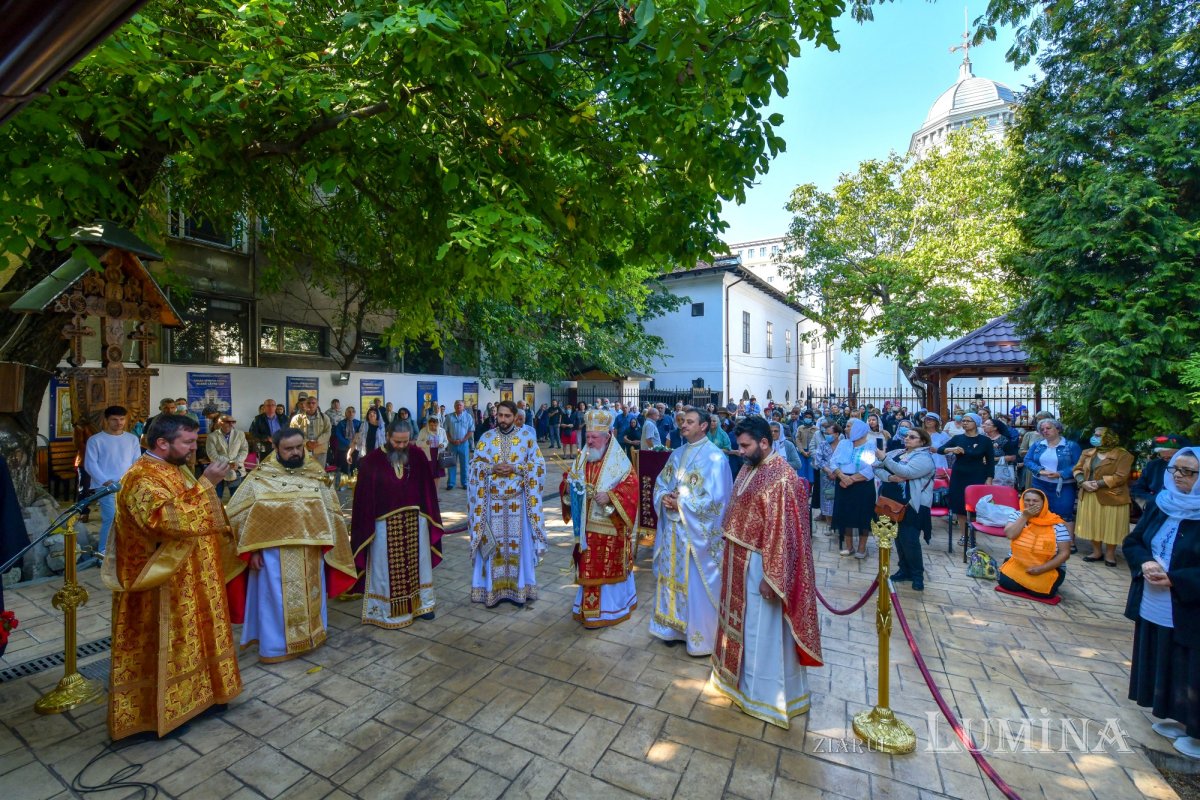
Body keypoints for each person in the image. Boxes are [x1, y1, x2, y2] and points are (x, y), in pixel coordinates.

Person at [104, 415, 244, 740]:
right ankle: (157, 714)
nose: (194, 449)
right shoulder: (140, 477)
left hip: (191, 578)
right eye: (188, 443)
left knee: (194, 641)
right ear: (162, 443)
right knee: (166, 645)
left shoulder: (173, 468)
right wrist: (207, 483)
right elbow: (166, 521)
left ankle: (203, 697)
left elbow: (200, 511)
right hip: (160, 583)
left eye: (195, 442)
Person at [710, 416, 821, 728]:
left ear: (764, 442)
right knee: (745, 628)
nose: (740, 451)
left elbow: (786, 535)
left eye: (745, 445)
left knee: (764, 632)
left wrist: (773, 578)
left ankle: (765, 697)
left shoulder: (782, 477)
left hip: (762, 567)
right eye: (739, 446)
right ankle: (741, 685)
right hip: (740, 562)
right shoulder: (750, 467)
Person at [226, 428, 356, 662]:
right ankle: (276, 647)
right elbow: (238, 515)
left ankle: (312, 637)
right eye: (288, 449)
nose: (296, 452)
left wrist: (329, 544)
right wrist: (251, 550)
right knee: (274, 600)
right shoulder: (260, 477)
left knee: (312, 594)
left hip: (311, 550)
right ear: (276, 449)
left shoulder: (315, 472)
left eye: (299, 447)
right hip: (272, 554)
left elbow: (332, 512)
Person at [1123, 447, 1200, 759]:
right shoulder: (1161, 504)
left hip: (1188, 604)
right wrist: (1145, 563)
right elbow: (1135, 541)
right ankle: (1178, 718)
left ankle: (1197, 732)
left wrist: (1177, 579)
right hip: (1154, 598)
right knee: (1163, 655)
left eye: (1189, 472)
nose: (1179, 476)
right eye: (1175, 470)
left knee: (1191, 665)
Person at [650, 407, 733, 656]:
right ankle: (671, 629)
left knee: (695, 583)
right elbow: (662, 482)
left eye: (689, 421)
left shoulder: (716, 458)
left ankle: (699, 637)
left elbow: (718, 500)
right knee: (672, 579)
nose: (683, 425)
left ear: (704, 426)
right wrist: (665, 496)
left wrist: (682, 504)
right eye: (682, 421)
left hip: (695, 536)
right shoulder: (676, 453)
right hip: (674, 532)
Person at [350, 422, 445, 628]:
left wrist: (430, 518)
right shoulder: (371, 462)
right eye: (397, 441)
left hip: (415, 523)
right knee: (385, 569)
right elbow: (363, 502)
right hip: (384, 526)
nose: (402, 446)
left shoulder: (418, 456)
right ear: (387, 438)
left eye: (405, 441)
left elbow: (427, 490)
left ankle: (422, 606)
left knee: (417, 563)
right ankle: (385, 611)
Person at [560, 409, 641, 628]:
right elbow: (569, 479)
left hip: (609, 526)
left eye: (595, 437)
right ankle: (588, 610)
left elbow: (632, 488)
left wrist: (611, 496)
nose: (590, 441)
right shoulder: (583, 457)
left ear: (607, 437)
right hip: (586, 524)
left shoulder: (620, 461)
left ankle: (611, 609)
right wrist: (569, 486)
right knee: (587, 564)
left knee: (604, 565)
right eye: (587, 437)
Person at [467, 400, 547, 606]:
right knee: (493, 549)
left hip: (517, 503)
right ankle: (491, 591)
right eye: (500, 415)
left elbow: (539, 467)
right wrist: (491, 469)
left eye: (507, 416)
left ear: (515, 417)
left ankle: (519, 589)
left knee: (518, 547)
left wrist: (516, 468)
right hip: (491, 503)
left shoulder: (526, 438)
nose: (502, 420)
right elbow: (474, 466)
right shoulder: (486, 438)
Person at [874, 428, 936, 591]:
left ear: (922, 442)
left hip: (912, 505)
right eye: (907, 436)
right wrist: (889, 477)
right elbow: (876, 467)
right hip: (892, 502)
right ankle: (904, 570)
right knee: (898, 539)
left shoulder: (924, 458)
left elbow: (906, 472)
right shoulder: (898, 452)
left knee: (910, 540)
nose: (907, 439)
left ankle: (917, 575)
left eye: (912, 437)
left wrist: (885, 459)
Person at [84, 405, 142, 555]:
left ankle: (124, 548)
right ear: (106, 420)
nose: (119, 422)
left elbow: (137, 462)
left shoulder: (132, 439)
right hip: (105, 486)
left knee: (129, 519)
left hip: (127, 485)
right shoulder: (95, 440)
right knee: (110, 518)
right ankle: (103, 550)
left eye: (122, 419)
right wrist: (106, 481)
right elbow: (90, 464)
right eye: (114, 419)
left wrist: (131, 480)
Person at [1075, 427, 1134, 567]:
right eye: (1094, 435)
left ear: (1109, 438)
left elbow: (1121, 476)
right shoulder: (1087, 452)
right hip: (1089, 494)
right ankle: (1096, 552)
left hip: (1112, 496)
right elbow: (1077, 469)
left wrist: (1098, 483)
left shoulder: (1123, 455)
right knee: (1093, 524)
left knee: (1111, 525)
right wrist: (1082, 482)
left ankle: (1110, 554)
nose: (1094, 437)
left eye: (1098, 435)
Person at [997, 488, 1071, 599]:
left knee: (1042, 592)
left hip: (1048, 568)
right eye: (1027, 500)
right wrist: (1025, 517)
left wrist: (1041, 569)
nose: (1031, 503)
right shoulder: (1017, 515)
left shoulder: (1056, 523)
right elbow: (1011, 535)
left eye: (1035, 501)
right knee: (1007, 584)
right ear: (1022, 501)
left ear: (1044, 503)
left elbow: (1065, 553)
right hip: (1018, 562)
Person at [939, 413, 996, 547]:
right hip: (959, 475)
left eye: (968, 421)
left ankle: (973, 536)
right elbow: (940, 450)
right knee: (960, 505)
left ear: (975, 423)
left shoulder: (985, 441)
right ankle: (964, 535)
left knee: (974, 506)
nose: (964, 423)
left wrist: (989, 478)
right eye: (963, 421)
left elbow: (990, 462)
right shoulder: (958, 438)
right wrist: (952, 449)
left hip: (977, 474)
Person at [1025, 418, 1083, 547]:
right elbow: (1028, 460)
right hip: (1040, 483)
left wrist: (1060, 473)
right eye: (1042, 429)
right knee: (1039, 511)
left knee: (1064, 512)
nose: (1045, 431)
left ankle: (1068, 543)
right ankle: (1039, 539)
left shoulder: (1071, 446)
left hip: (1064, 485)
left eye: (1048, 428)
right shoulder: (1038, 445)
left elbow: (1078, 464)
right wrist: (1040, 470)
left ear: (1057, 429)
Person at [830, 418, 878, 558]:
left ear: (860, 429)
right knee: (845, 515)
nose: (845, 429)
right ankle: (849, 546)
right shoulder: (844, 443)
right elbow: (833, 462)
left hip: (862, 485)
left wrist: (850, 479)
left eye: (849, 426)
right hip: (843, 483)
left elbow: (870, 469)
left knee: (863, 516)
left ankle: (861, 548)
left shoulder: (869, 446)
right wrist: (842, 476)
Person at [1132, 434, 1188, 506]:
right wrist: (1149, 502)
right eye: (1163, 457)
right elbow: (1137, 489)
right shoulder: (1153, 465)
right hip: (1154, 507)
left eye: (1170, 457)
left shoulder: (1191, 467)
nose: (1167, 461)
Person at [204, 414, 249, 501]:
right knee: (217, 498)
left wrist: (235, 461)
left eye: (233, 422)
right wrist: (228, 462)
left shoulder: (240, 434)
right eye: (228, 422)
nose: (231, 424)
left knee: (236, 498)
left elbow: (244, 450)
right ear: (220, 423)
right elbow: (212, 455)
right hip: (219, 469)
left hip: (236, 468)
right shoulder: (212, 436)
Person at [290, 395, 332, 468]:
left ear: (317, 404)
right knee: (303, 473)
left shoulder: (324, 417)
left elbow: (328, 432)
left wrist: (318, 442)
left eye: (313, 403)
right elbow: (294, 433)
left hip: (320, 450)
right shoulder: (297, 418)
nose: (311, 405)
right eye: (309, 403)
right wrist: (306, 442)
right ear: (305, 404)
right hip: (302, 451)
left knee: (319, 474)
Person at [811, 421, 841, 525]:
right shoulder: (823, 444)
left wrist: (837, 473)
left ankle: (838, 524)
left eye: (829, 433)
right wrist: (828, 471)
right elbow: (818, 460)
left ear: (836, 434)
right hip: (826, 477)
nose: (826, 435)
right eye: (825, 434)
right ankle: (829, 525)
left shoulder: (844, 445)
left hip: (842, 477)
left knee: (839, 500)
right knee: (827, 500)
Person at [443, 400, 475, 490]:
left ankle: (464, 483)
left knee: (464, 464)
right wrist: (451, 440)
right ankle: (451, 483)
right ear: (454, 406)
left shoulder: (468, 417)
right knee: (450, 464)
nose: (458, 406)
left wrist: (463, 440)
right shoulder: (449, 417)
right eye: (456, 405)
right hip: (451, 444)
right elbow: (446, 430)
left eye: (460, 405)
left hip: (464, 444)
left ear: (463, 406)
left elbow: (471, 430)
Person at [983, 418, 1018, 487]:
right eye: (984, 424)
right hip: (983, 469)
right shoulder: (982, 439)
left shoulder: (1004, 440)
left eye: (987, 424)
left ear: (995, 428)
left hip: (999, 470)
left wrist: (993, 459)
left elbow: (1013, 457)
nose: (983, 426)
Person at [415, 414, 448, 486]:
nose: (433, 427)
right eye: (431, 425)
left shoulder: (442, 431)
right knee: (427, 475)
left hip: (438, 455)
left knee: (437, 475)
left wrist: (443, 445)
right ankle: (428, 492)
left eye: (435, 425)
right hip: (428, 456)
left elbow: (446, 441)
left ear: (438, 424)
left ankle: (435, 493)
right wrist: (426, 443)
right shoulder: (423, 431)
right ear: (428, 424)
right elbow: (417, 443)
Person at [333, 406, 361, 474]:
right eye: (349, 412)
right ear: (345, 413)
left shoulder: (358, 423)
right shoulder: (341, 423)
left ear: (355, 413)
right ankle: (344, 480)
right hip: (343, 447)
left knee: (354, 465)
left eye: (353, 412)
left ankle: (353, 480)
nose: (351, 413)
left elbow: (360, 435)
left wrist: (354, 443)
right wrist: (348, 443)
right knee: (344, 466)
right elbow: (338, 435)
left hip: (355, 447)